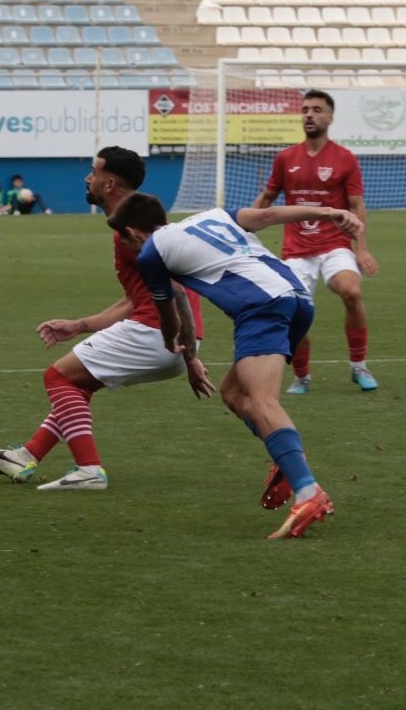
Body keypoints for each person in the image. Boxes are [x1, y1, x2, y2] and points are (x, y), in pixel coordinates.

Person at [106, 191, 362, 539]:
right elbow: (268, 215)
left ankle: (308, 492)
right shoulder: (212, 216)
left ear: (132, 233)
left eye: (125, 240)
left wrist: (172, 344)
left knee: (261, 401)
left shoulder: (151, 253)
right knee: (232, 393)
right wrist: (330, 212)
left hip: (261, 307)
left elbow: (169, 316)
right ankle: (288, 461)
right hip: (298, 297)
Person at [0, 147, 209, 492]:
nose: (88, 178)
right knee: (79, 383)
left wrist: (188, 356)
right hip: (172, 338)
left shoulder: (131, 228)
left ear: (110, 183)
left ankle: (88, 469)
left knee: (58, 377)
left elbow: (175, 289)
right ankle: (27, 455)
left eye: (94, 171)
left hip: (158, 335)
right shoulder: (138, 220)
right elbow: (136, 299)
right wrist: (79, 326)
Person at [251, 89, 380, 394]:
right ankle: (302, 376)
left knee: (351, 291)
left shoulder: (345, 158)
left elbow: (357, 206)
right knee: (293, 312)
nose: (309, 114)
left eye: (317, 110)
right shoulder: (285, 158)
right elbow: (267, 199)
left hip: (335, 244)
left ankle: (359, 366)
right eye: (306, 109)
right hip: (296, 251)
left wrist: (361, 249)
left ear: (330, 118)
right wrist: (242, 230)